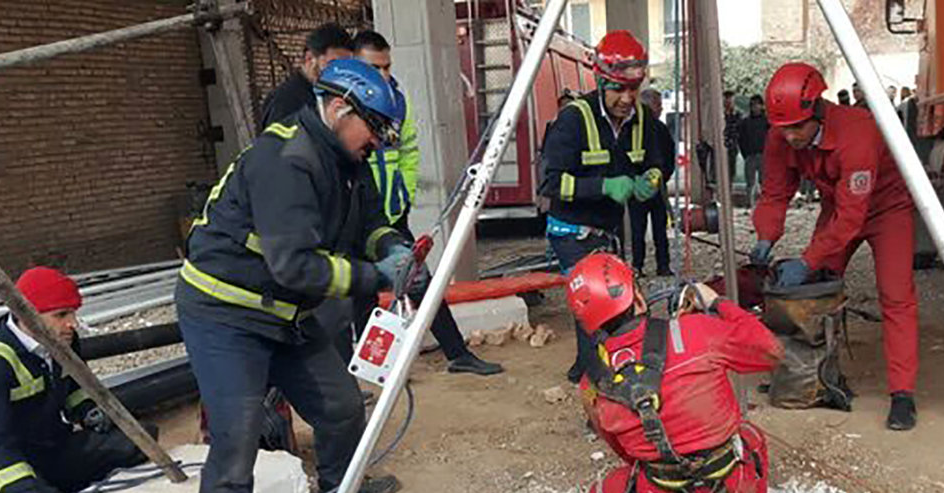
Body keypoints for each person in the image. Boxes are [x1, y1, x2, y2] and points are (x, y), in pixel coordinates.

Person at [177, 59, 411, 493]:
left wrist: (387, 246)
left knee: (339, 404)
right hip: (225, 314)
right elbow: (296, 267)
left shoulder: (344, 160)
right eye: (373, 129)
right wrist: (372, 277)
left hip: (282, 313)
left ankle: (334, 489)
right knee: (236, 443)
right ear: (339, 108)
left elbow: (369, 219)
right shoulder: (285, 160)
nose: (377, 144)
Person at [568, 253, 783, 493]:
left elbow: (625, 454)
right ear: (635, 298)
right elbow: (770, 350)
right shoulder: (698, 332)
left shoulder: (593, 385)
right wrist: (715, 302)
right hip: (734, 487)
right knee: (752, 439)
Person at [751, 62, 919, 431]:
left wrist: (809, 259)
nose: (791, 137)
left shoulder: (857, 134)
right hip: (836, 205)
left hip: (886, 208)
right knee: (812, 293)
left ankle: (902, 393)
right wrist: (765, 235)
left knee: (896, 296)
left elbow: (851, 218)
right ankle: (812, 376)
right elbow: (776, 191)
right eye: (783, 128)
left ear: (817, 109)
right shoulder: (781, 136)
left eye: (797, 127)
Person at [350, 30, 501, 376]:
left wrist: (403, 193)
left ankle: (457, 353)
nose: (385, 75)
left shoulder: (396, 101)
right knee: (361, 294)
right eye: (376, 67)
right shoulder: (345, 107)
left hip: (390, 215)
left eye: (387, 66)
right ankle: (370, 370)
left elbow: (409, 149)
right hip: (356, 219)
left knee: (420, 280)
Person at [0, 267, 151, 493]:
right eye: (61, 315)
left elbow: (75, 390)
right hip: (1, 464)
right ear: (25, 313)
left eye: (73, 312)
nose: (72, 323)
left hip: (52, 448)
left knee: (138, 440)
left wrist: (92, 414)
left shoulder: (63, 342)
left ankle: (48, 490)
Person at [538, 30, 664, 384]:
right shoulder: (574, 120)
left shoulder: (642, 119)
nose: (627, 98)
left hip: (608, 230)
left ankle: (586, 367)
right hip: (572, 230)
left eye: (633, 89)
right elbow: (551, 184)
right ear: (600, 81)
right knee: (598, 301)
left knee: (606, 301)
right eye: (618, 89)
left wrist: (651, 179)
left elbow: (656, 161)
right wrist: (604, 186)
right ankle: (599, 381)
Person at [258, 22, 354, 129]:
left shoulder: (327, 95)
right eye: (333, 64)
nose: (339, 72)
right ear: (309, 59)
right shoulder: (285, 103)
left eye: (346, 66)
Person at [627, 88, 674, 277]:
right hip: (643, 187)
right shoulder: (636, 127)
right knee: (648, 229)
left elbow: (668, 157)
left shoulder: (635, 127)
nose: (661, 109)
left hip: (646, 187)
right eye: (659, 105)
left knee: (651, 229)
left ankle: (643, 266)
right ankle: (657, 266)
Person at [736, 94, 768, 209]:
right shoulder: (745, 122)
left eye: (757, 105)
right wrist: (745, 153)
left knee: (764, 182)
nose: (755, 107)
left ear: (761, 106)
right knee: (750, 182)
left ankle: (765, 203)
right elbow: (741, 139)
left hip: (764, 155)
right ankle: (750, 204)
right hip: (750, 155)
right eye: (753, 105)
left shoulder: (767, 122)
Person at [723, 91, 742, 184]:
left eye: (730, 100)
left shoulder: (738, 114)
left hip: (733, 146)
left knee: (731, 171)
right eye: (726, 100)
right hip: (722, 145)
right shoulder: (720, 115)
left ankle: (729, 189)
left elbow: (740, 129)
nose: (728, 102)